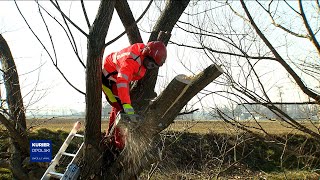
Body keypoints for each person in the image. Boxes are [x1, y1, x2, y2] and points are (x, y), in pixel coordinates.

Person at [102, 41, 167, 150]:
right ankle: (117, 144)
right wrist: (127, 105)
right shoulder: (131, 61)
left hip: (119, 77)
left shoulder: (143, 54)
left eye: (154, 66)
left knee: (121, 107)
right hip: (108, 78)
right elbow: (122, 81)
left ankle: (112, 136)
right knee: (120, 108)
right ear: (147, 55)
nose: (150, 67)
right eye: (151, 64)